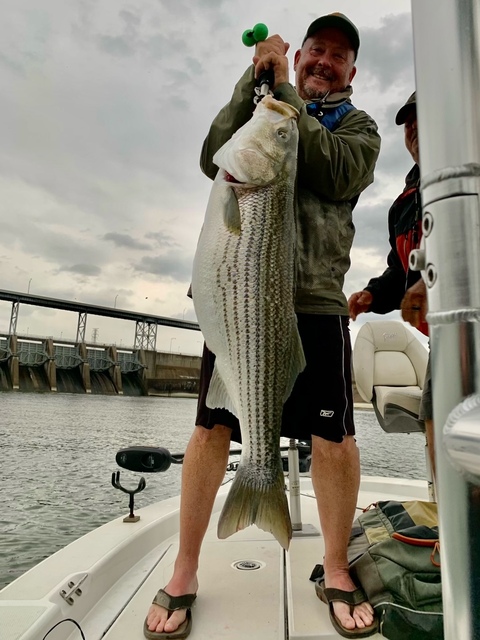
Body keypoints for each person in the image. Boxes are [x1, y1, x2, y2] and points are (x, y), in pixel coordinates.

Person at [145, 13, 381, 639]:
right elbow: (211, 155)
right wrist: (251, 82)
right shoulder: (263, 106)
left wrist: (289, 107)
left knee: (334, 442)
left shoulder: (358, 129)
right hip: (242, 299)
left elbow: (337, 172)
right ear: (298, 54)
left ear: (352, 71)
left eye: (338, 55)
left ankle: (334, 566)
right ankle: (186, 567)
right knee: (209, 429)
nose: (324, 61)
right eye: (316, 50)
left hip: (318, 303)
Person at [348, 92, 435, 479]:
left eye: (424, 116)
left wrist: (436, 281)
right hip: (445, 342)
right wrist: (370, 295)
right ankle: (448, 522)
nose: (414, 126)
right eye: (408, 121)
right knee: (437, 420)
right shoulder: (402, 205)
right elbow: (398, 273)